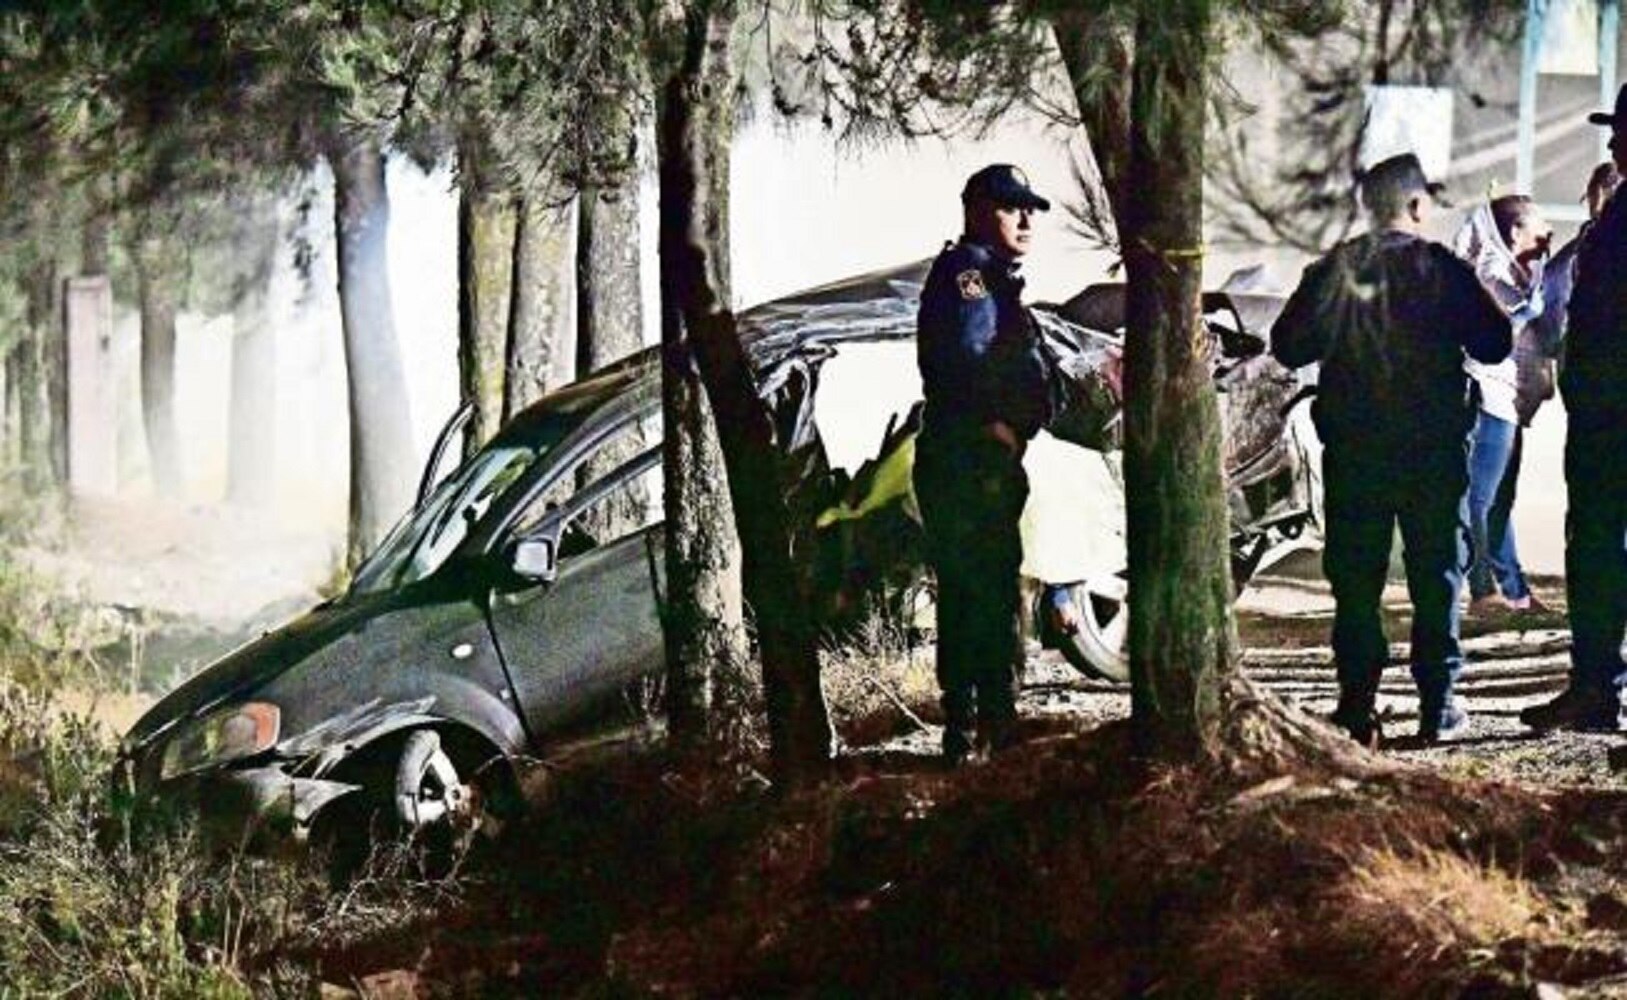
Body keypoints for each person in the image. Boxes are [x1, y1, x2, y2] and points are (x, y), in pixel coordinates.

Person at [1271, 152, 1511, 746]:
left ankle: (1357, 707)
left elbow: (1288, 346)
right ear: (1416, 205)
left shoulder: (1335, 270)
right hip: (1432, 453)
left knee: (1356, 579)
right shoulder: (1443, 269)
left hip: (1355, 453)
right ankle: (1440, 705)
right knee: (1437, 574)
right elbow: (1496, 343)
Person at [914, 163, 1053, 763]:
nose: (1025, 219)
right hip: (969, 456)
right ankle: (978, 725)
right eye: (1010, 206)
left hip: (977, 455)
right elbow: (970, 358)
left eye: (1030, 209)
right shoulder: (971, 275)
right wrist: (997, 425)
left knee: (985, 585)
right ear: (975, 208)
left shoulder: (993, 277)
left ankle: (984, 722)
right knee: (980, 589)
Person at [1520, 88, 1627, 733]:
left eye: (1621, 132)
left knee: (1596, 548)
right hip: (1604, 412)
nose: (1612, 144)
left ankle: (1596, 688)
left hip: (1614, 416)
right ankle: (1593, 686)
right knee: (1595, 549)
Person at [1451, 195, 1553, 616]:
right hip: (1489, 396)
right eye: (1540, 230)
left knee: (1500, 500)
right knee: (1480, 497)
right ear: (1515, 233)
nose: (1546, 239)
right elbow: (1523, 309)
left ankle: (1514, 590)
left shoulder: (1506, 267)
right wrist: (1544, 273)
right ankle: (1481, 590)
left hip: (1506, 401)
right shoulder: (1492, 272)